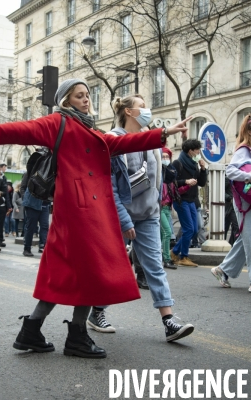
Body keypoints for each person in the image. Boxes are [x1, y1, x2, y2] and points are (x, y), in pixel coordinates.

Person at [0, 78, 189, 358]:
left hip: (90, 211)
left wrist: (161, 133)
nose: (86, 99)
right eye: (79, 95)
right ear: (66, 100)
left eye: (87, 95)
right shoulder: (60, 122)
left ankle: (33, 330)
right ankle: (75, 336)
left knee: (67, 275)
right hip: (79, 213)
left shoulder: (89, 128)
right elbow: (25, 129)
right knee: (89, 273)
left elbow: (120, 143)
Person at [86, 94, 194, 342]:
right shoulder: (113, 140)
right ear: (128, 112)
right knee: (113, 268)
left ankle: (169, 322)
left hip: (148, 216)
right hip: (118, 217)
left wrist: (156, 207)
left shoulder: (151, 141)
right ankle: (97, 312)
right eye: (142, 107)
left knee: (154, 266)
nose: (147, 111)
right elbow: (108, 184)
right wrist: (123, 219)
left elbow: (158, 180)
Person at [211, 115, 251, 294]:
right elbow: (230, 170)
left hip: (250, 203)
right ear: (250, 131)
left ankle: (222, 270)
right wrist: (248, 176)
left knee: (245, 240)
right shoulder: (243, 149)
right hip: (245, 204)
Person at [170, 139, 207, 267]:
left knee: (194, 229)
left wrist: (203, 169)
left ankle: (175, 252)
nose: (199, 152)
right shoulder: (178, 162)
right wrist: (185, 181)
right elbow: (171, 182)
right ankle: (183, 256)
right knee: (189, 229)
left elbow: (201, 183)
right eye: (197, 150)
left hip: (192, 200)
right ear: (191, 151)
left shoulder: (193, 163)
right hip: (181, 200)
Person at [22, 186, 50, 257]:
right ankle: (27, 248)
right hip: (32, 204)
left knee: (45, 225)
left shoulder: (51, 175)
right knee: (31, 227)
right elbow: (23, 187)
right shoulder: (30, 174)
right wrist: (26, 198)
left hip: (45, 204)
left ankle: (42, 246)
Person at [0, 163, 12, 247]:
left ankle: (0, 239)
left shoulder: (4, 177)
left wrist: (8, 206)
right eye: (4, 167)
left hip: (2, 203)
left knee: (1, 223)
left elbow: (6, 193)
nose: (5, 168)